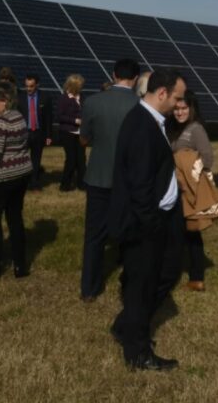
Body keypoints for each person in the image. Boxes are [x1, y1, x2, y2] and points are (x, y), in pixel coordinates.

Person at [108, 68, 186, 371]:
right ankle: (137, 352)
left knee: (163, 274)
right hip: (144, 224)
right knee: (142, 286)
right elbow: (139, 185)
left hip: (158, 219)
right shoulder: (141, 125)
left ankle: (125, 326)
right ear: (162, 93)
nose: (180, 105)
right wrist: (152, 225)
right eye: (177, 98)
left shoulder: (152, 122)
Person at [79, 58, 139, 301]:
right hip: (129, 179)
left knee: (94, 235)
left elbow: (83, 139)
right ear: (135, 78)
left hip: (98, 177)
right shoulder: (140, 105)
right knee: (130, 232)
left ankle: (89, 289)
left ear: (113, 75)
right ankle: (129, 284)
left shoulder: (93, 102)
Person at [0, 81, 33, 278]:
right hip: (22, 172)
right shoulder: (19, 117)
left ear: (5, 101)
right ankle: (20, 265)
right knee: (15, 218)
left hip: (3, 178)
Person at [167, 90, 217, 292]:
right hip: (171, 187)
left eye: (184, 109)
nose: (179, 113)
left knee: (191, 232)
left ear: (191, 108)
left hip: (187, 189)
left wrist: (190, 176)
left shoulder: (195, 130)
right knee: (176, 231)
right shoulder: (172, 128)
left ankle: (196, 276)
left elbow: (207, 158)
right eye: (176, 109)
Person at [21, 74, 52, 190]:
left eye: (31, 86)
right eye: (27, 86)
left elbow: (49, 118)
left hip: (38, 133)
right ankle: (23, 181)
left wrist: (49, 135)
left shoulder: (45, 97)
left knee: (36, 159)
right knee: (22, 159)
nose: (28, 89)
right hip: (24, 133)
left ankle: (34, 183)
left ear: (37, 85)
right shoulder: (20, 97)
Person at [55, 74, 86, 192]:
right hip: (68, 132)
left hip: (80, 132)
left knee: (81, 159)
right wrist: (75, 120)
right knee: (71, 159)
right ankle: (65, 185)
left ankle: (82, 184)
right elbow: (59, 116)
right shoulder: (63, 98)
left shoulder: (82, 97)